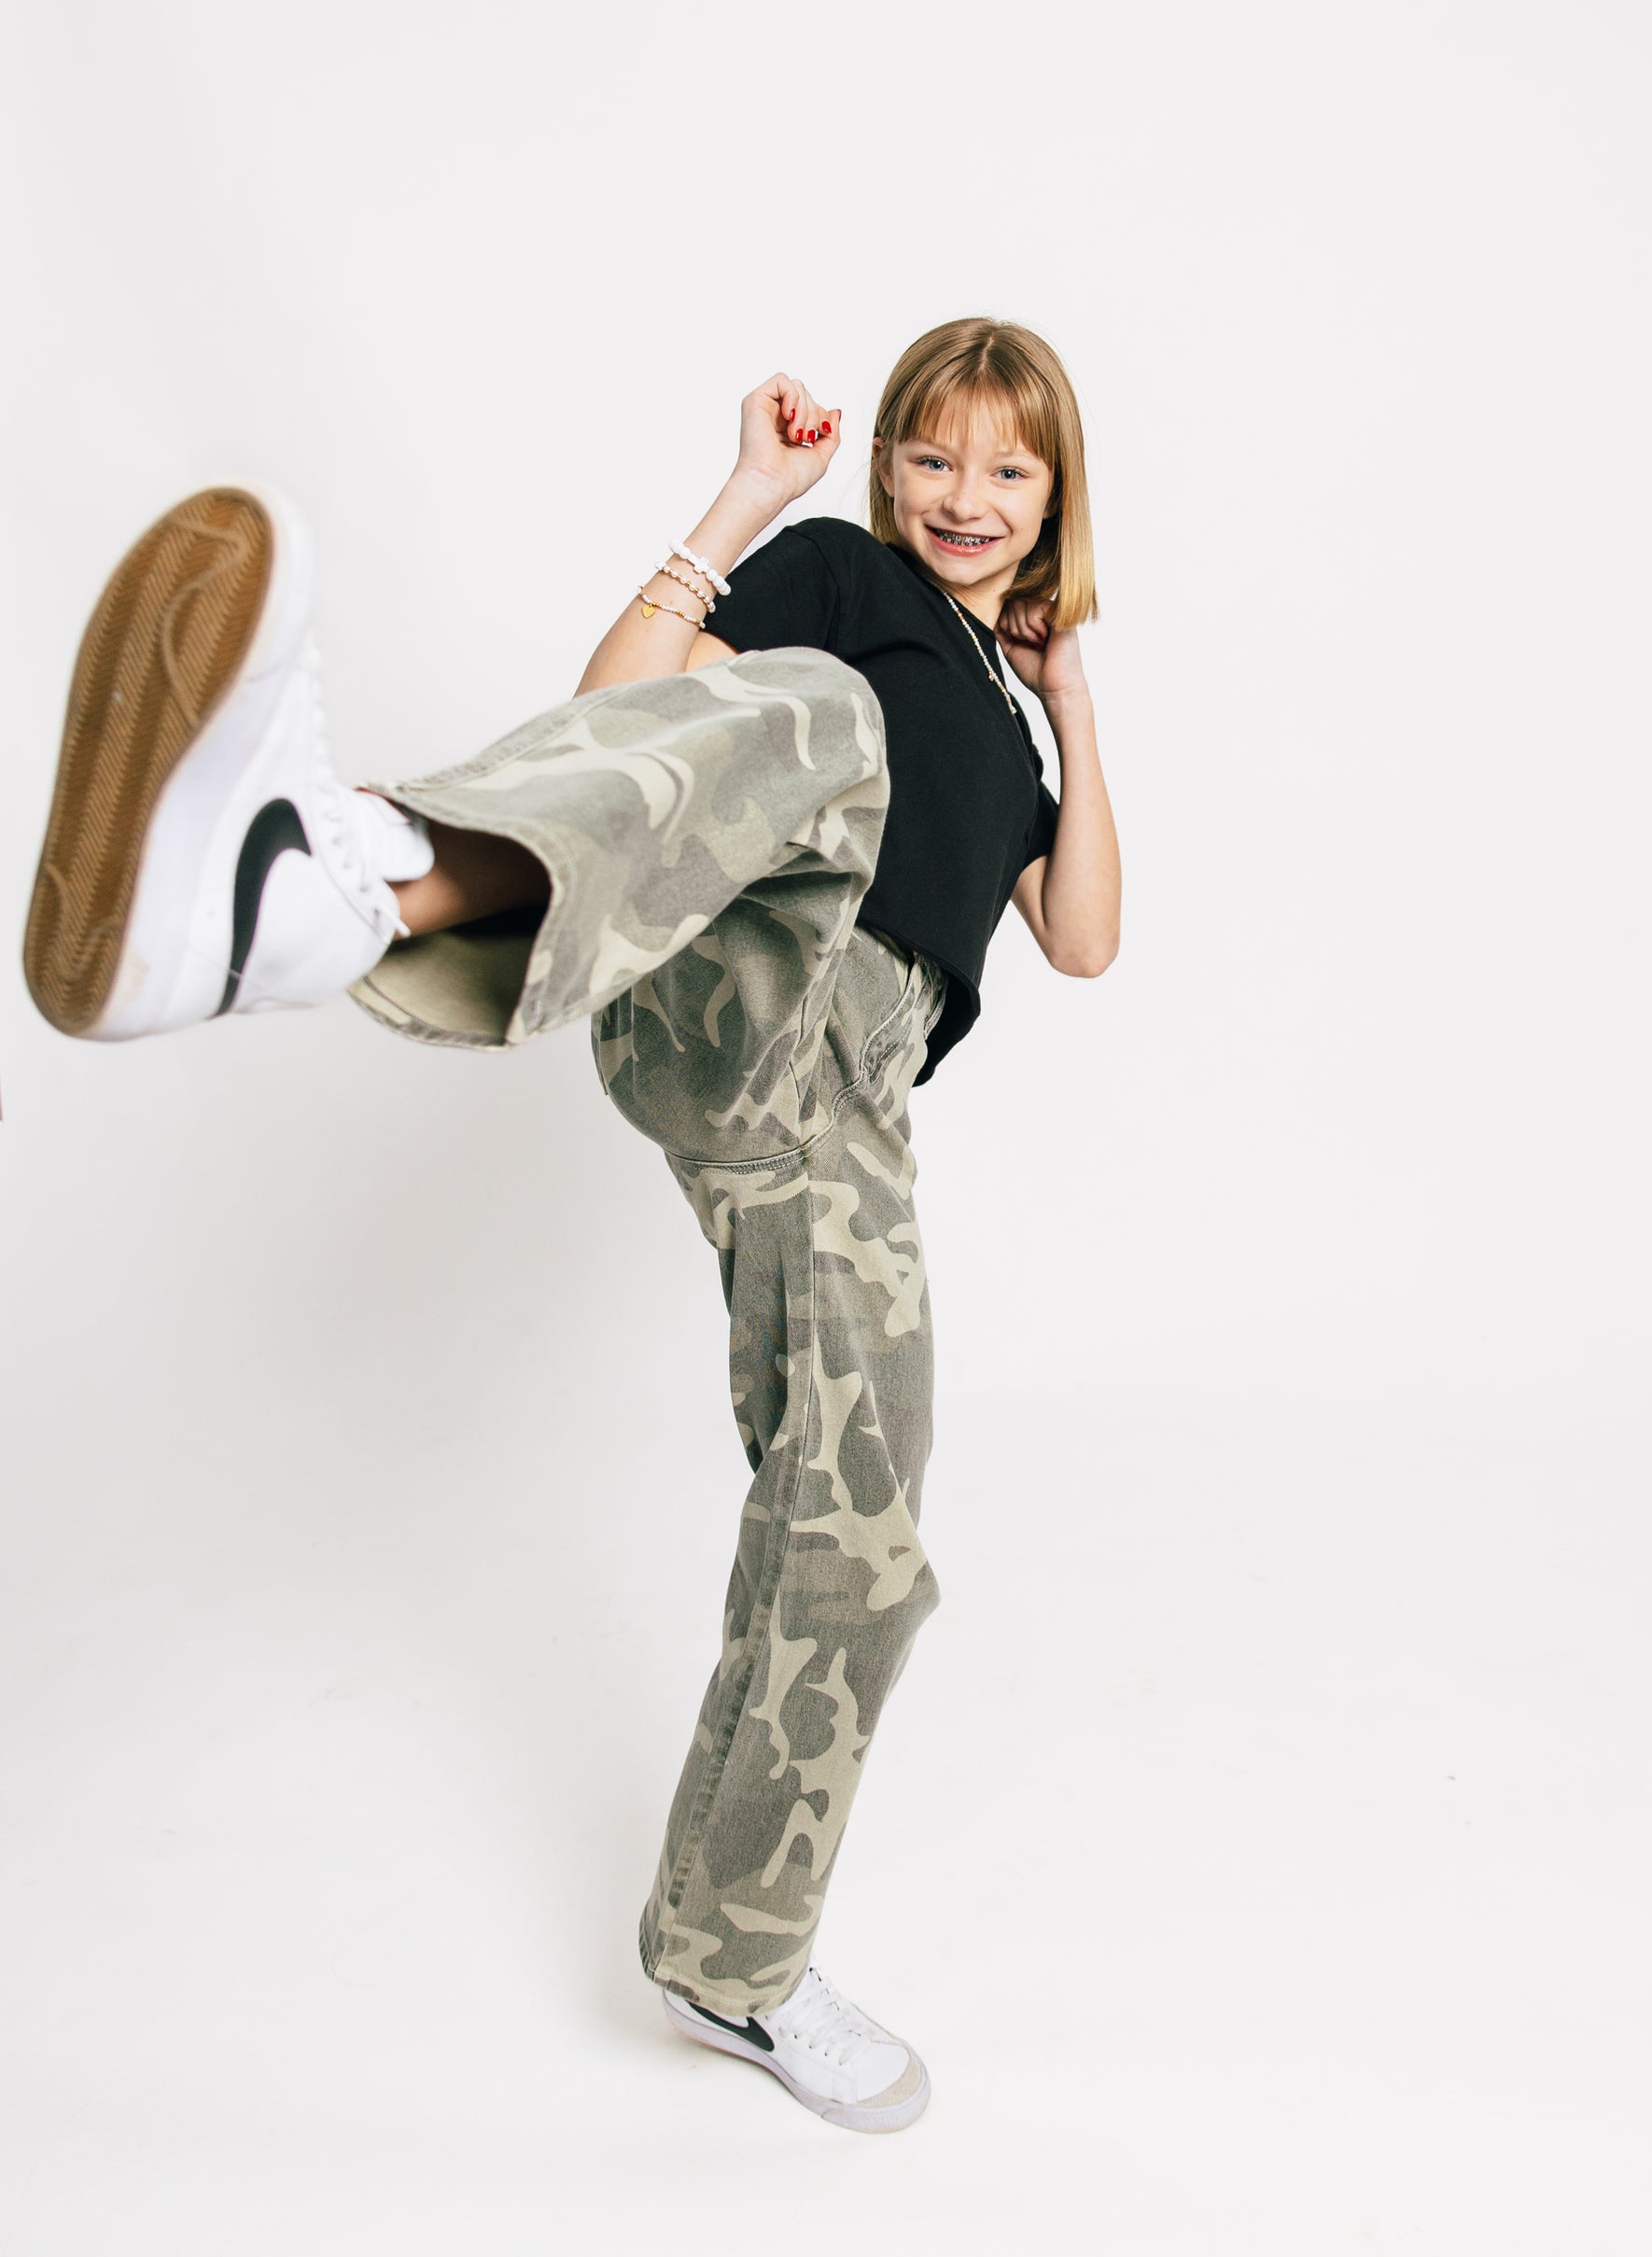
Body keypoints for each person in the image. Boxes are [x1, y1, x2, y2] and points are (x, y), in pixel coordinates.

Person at [23, 316, 1121, 2132]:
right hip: (736, 971)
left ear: (1056, 497)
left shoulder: (1007, 726)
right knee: (825, 714)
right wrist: (747, 497)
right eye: (933, 455)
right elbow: (627, 704)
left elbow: (1081, 939)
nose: (965, 495)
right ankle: (357, 872)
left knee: (862, 1539)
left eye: (1009, 469)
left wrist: (1068, 701)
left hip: (844, 1099)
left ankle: (732, 1959)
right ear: (888, 468)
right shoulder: (841, 581)